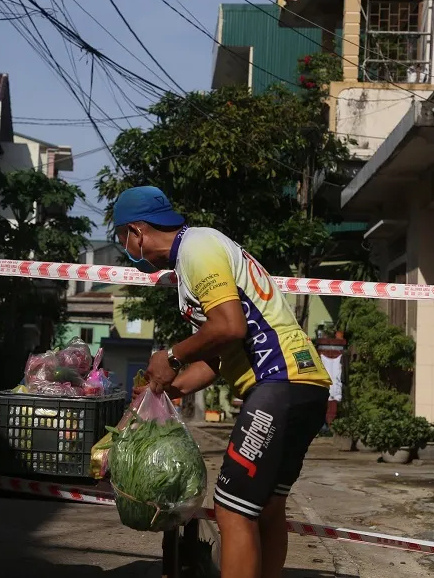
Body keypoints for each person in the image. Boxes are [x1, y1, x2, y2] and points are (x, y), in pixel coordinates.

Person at [113, 185, 331, 578]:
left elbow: (229, 327)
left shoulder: (197, 248)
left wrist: (172, 355)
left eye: (120, 237)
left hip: (276, 384)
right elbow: (218, 357)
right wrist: (170, 387)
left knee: (232, 509)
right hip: (305, 386)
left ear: (137, 231)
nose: (124, 247)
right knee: (266, 507)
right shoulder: (194, 259)